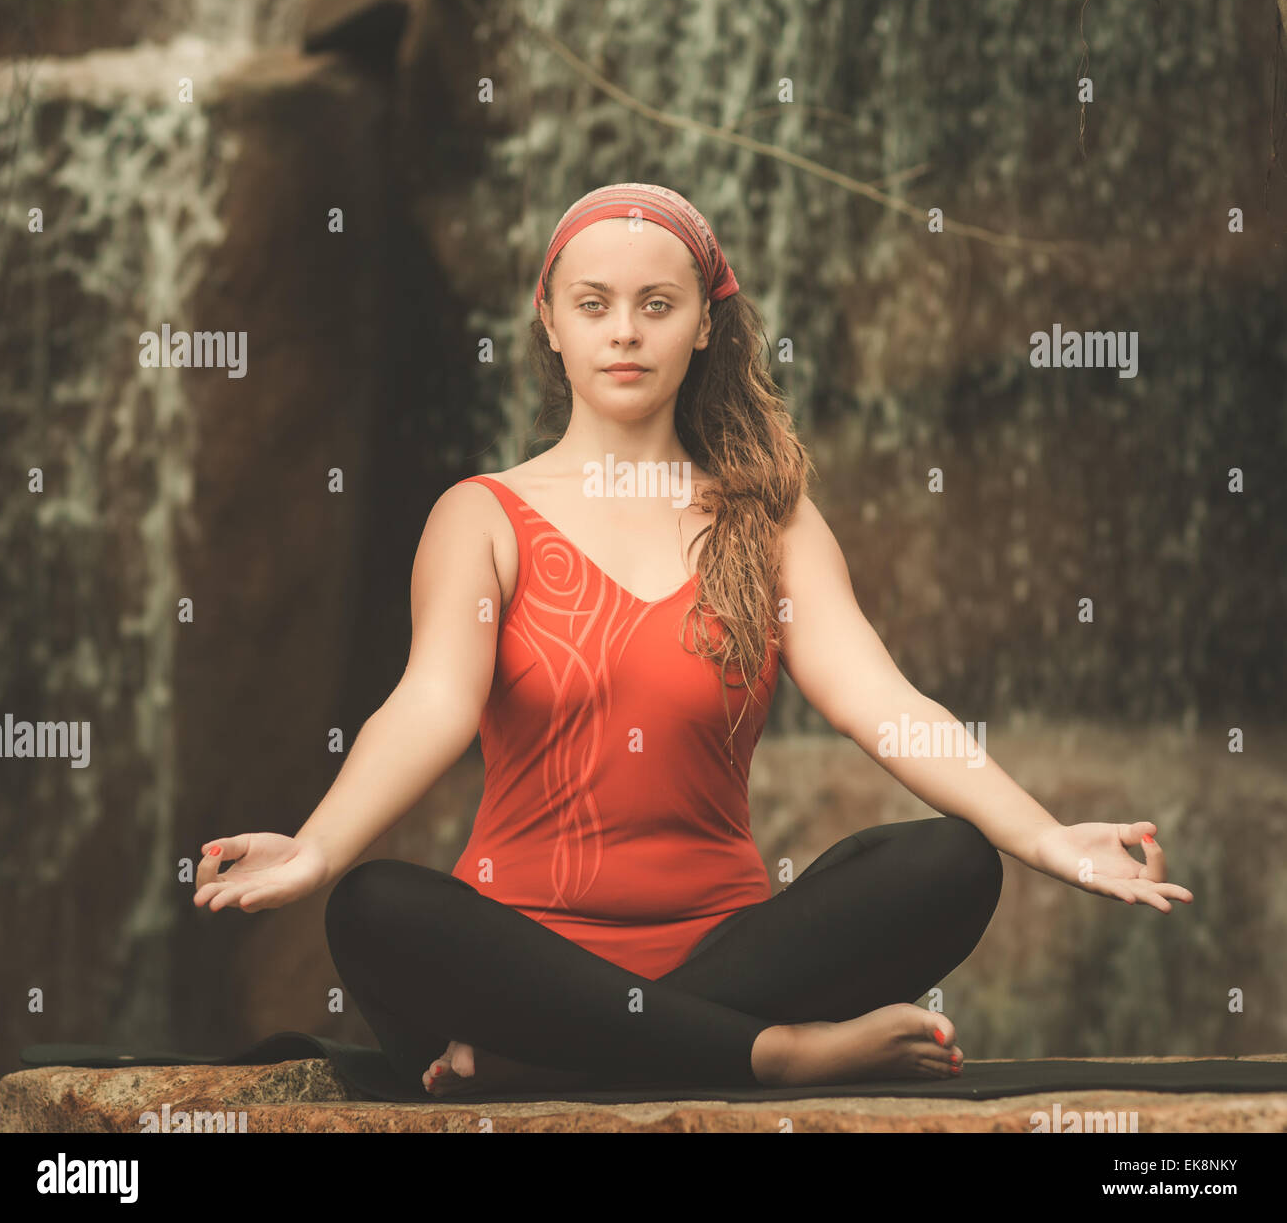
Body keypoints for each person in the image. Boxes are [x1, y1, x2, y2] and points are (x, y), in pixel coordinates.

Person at [193, 182, 1194, 1098]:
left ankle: (552, 1066)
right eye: (593, 304)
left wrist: (1044, 835)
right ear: (548, 320)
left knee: (951, 864)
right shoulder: (482, 515)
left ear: (704, 323)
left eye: (656, 305)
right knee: (373, 907)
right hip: (518, 963)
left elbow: (885, 706)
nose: (624, 333)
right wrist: (318, 849)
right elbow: (431, 702)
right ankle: (767, 1056)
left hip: (727, 955)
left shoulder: (768, 516)